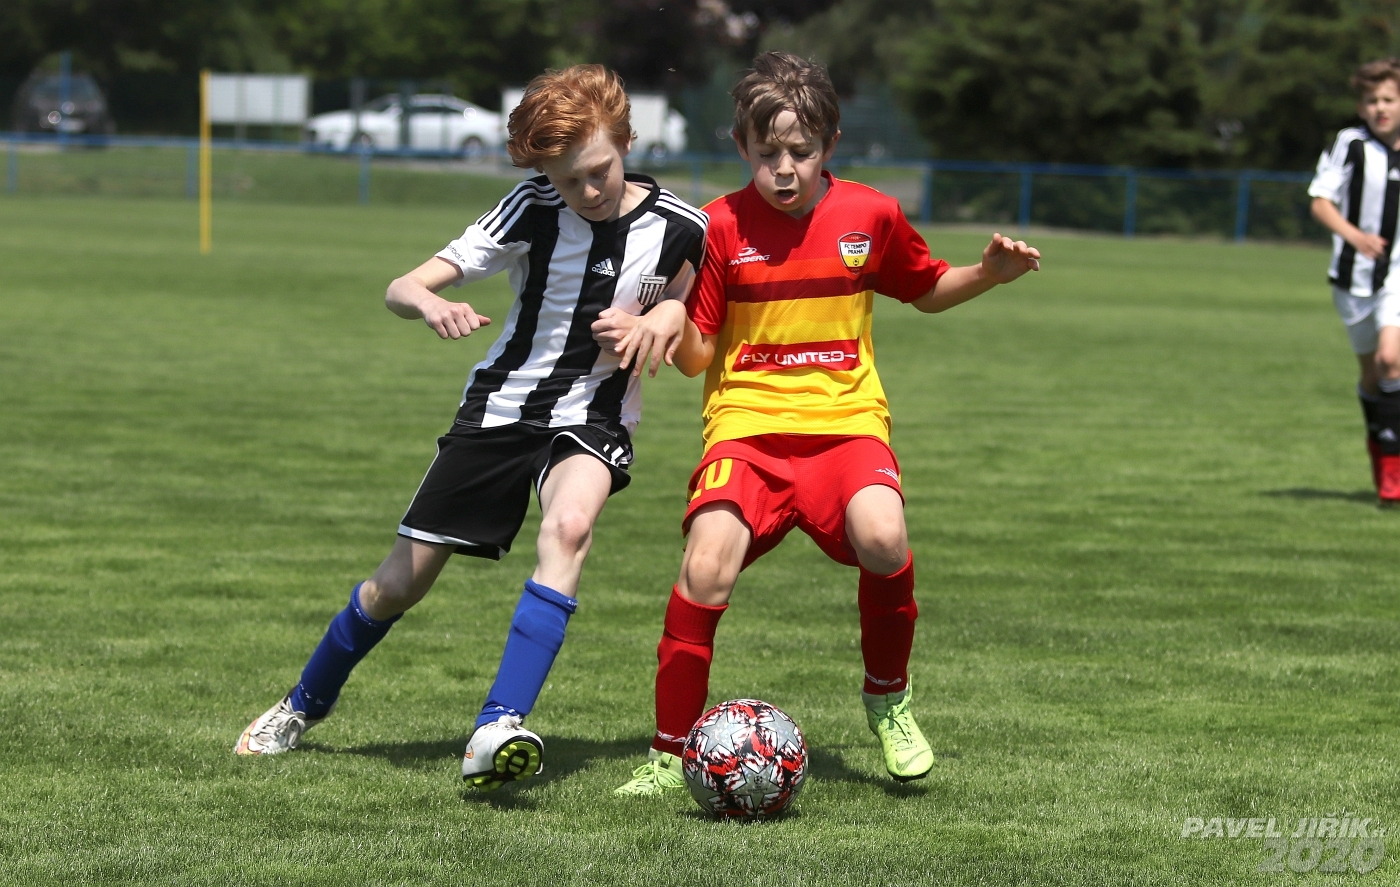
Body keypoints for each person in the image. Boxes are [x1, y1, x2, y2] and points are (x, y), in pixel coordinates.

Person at [234, 64, 708, 793]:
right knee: (397, 585)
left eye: (598, 171)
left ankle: (498, 724)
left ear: (625, 140)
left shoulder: (683, 226)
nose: (586, 191)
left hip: (593, 414)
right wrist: (431, 304)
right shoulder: (531, 207)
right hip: (500, 410)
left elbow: (690, 311)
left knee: (570, 528)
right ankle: (302, 703)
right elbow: (403, 285)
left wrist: (663, 316)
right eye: (567, 180)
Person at [607, 51, 1041, 796]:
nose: (784, 169)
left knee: (884, 534)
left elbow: (926, 287)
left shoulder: (870, 214)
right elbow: (698, 355)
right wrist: (664, 326)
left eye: (801, 152)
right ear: (741, 147)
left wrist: (987, 275)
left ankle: (889, 699)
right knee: (705, 565)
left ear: (830, 144)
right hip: (747, 427)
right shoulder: (717, 226)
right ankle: (669, 753)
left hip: (846, 423)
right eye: (766, 153)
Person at [1310, 58, 1400, 503]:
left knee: (1391, 359)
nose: (1380, 108)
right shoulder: (1350, 144)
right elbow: (1320, 202)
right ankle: (1379, 442)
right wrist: (1356, 236)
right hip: (1354, 278)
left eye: (1388, 99)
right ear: (1361, 106)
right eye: (1371, 100)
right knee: (1371, 375)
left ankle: (1394, 474)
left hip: (1398, 272)